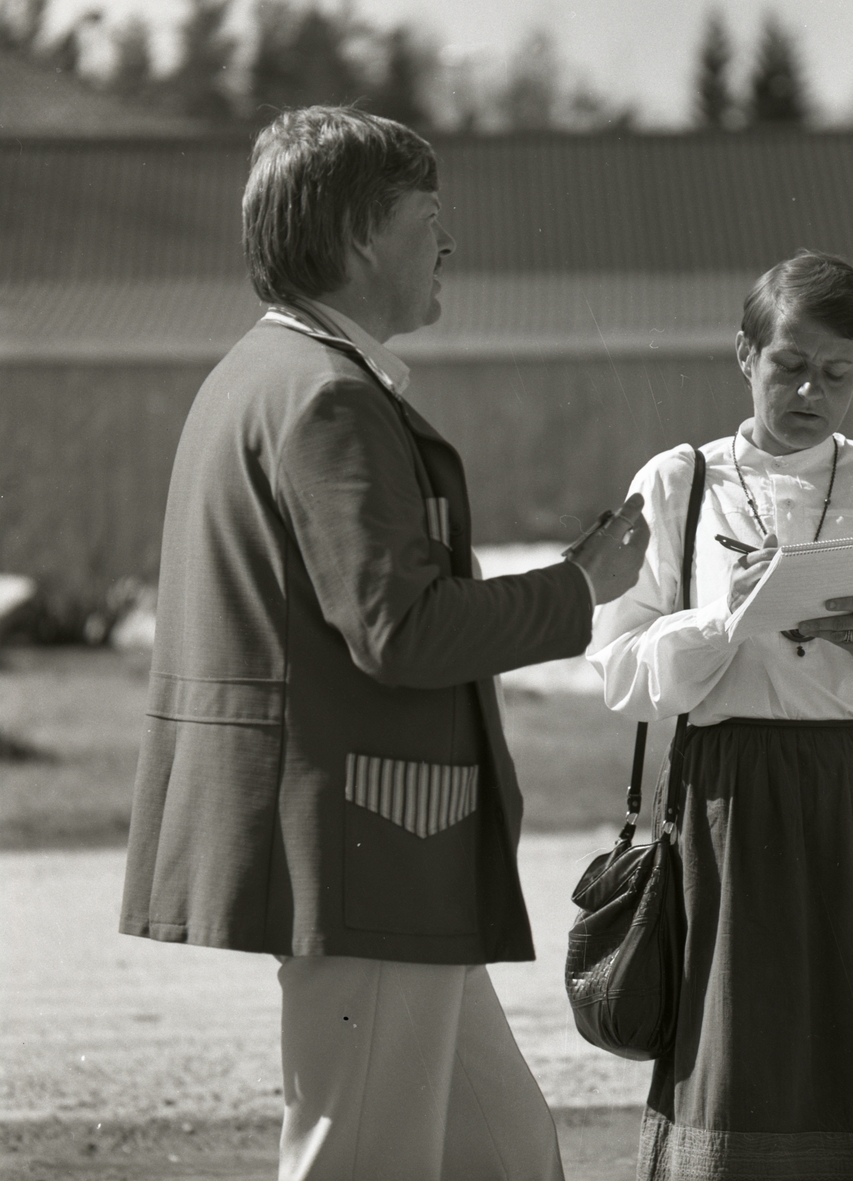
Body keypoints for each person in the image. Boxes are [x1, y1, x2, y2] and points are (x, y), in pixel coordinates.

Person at [119, 106, 649, 1181]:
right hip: (366, 851)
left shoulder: (264, 376)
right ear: (363, 235)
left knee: (506, 1154)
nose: (448, 242)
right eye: (429, 217)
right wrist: (577, 590)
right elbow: (397, 631)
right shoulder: (325, 398)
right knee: (360, 1159)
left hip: (386, 858)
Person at [588, 250, 853, 1180]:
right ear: (744, 354)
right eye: (789, 365)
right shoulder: (677, 484)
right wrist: (721, 624)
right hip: (730, 801)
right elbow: (616, 669)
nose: (811, 390)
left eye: (836, 373)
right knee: (743, 1039)